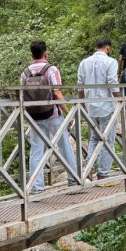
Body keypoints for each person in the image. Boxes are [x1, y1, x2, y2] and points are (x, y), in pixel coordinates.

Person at [21, 41, 77, 193]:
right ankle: (74, 180)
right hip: (52, 115)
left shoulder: (25, 73)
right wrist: (67, 112)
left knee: (36, 151)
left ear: (31, 55)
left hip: (34, 116)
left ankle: (36, 186)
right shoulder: (51, 69)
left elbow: (23, 97)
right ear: (46, 53)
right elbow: (57, 93)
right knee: (64, 146)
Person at [78, 38, 121, 179]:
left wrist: (83, 105)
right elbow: (112, 82)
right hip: (106, 107)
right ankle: (103, 173)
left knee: (93, 139)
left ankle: (87, 170)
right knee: (107, 141)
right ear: (107, 48)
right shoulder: (111, 62)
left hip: (91, 107)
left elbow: (80, 85)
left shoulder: (84, 63)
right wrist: (120, 99)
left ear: (96, 47)